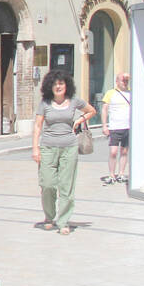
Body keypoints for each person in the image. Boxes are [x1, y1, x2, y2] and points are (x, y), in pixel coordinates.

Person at [33, 69, 96, 235]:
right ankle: (49, 216)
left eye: (61, 83)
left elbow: (91, 111)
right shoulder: (45, 103)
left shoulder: (74, 101)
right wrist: (35, 148)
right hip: (48, 147)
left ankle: (63, 221)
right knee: (47, 184)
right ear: (50, 86)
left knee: (66, 186)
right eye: (54, 84)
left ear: (66, 85)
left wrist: (79, 121)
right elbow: (38, 126)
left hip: (69, 147)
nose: (58, 86)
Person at [99, 73, 130, 185]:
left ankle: (121, 174)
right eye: (123, 80)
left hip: (127, 126)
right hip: (115, 127)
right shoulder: (110, 93)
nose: (125, 82)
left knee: (124, 151)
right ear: (117, 81)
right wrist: (104, 125)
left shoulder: (131, 93)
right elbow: (104, 109)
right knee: (113, 152)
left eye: (126, 80)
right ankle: (111, 175)